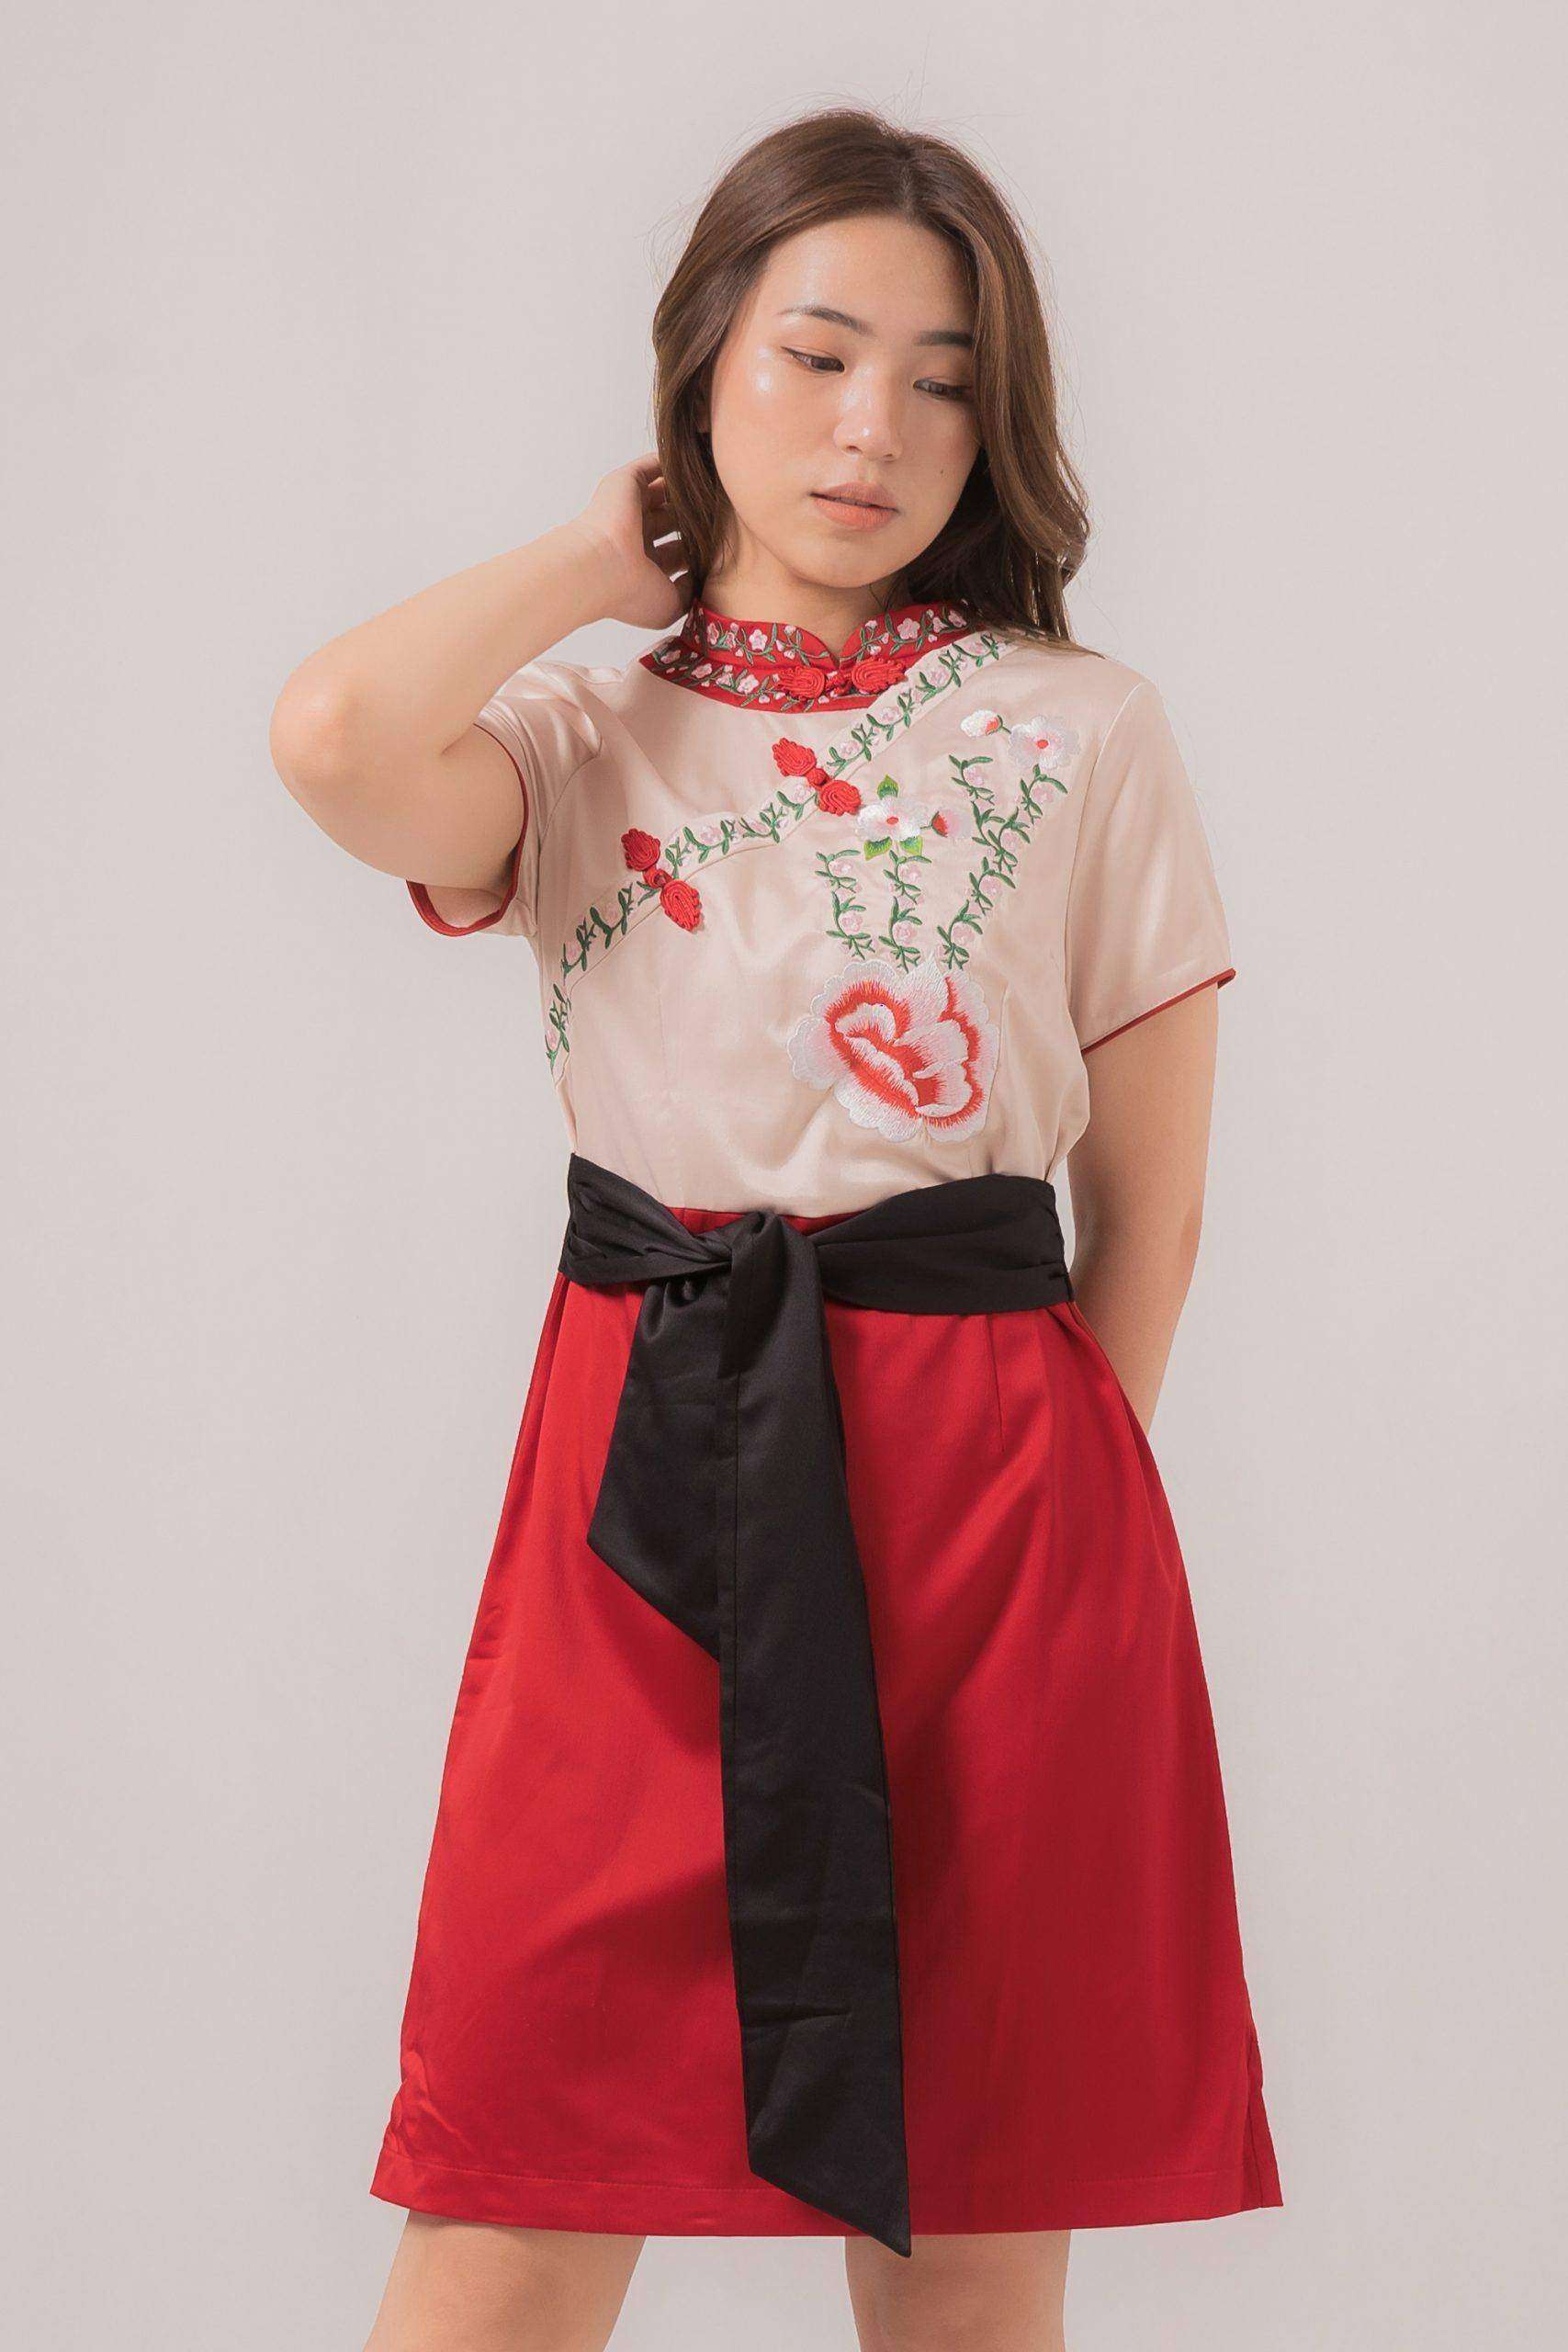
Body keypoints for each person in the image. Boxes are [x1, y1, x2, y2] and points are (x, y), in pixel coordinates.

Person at [270, 105, 1281, 2352]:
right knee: (510, 2211)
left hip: (994, 1516)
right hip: (643, 1496)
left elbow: (1148, 1207)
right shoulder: (570, 732)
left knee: (964, 2234)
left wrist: (1048, 1523)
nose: (870, 430)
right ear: (702, 365)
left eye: (940, 383)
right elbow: (332, 737)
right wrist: (589, 554)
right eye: (815, 356)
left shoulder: (1080, 731)